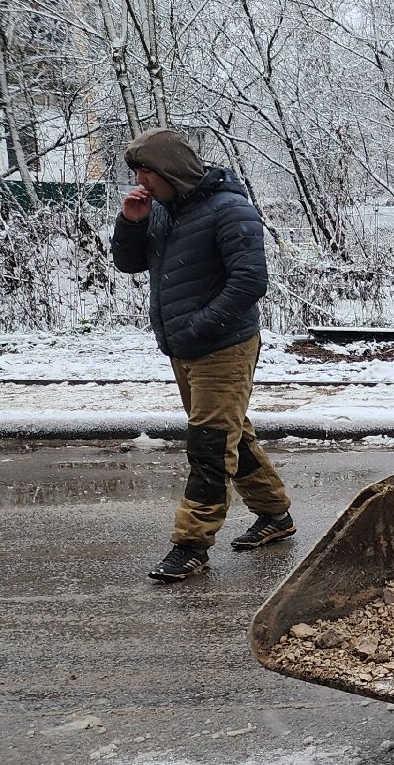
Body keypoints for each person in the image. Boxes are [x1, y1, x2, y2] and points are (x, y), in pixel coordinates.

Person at [111, 128, 294, 583]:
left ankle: (191, 545)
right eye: (137, 173)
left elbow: (249, 282)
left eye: (146, 173)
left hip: (224, 347)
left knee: (210, 446)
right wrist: (131, 221)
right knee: (230, 433)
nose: (141, 182)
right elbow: (129, 264)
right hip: (183, 348)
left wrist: (199, 326)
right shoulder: (160, 212)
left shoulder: (231, 210)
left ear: (172, 171)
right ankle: (275, 515)